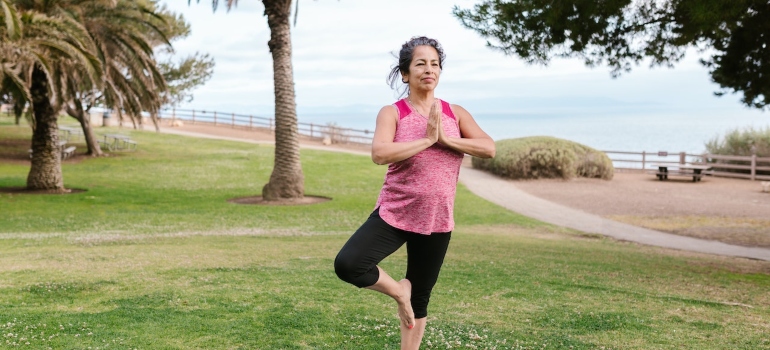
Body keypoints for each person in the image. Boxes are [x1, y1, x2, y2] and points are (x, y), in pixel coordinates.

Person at [334, 36, 495, 349]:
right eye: (420, 63)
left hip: (437, 218)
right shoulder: (393, 113)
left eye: (434, 64)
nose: (429, 69)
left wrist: (447, 140)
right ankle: (398, 291)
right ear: (405, 74)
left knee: (420, 298)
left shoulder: (455, 113)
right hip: (396, 212)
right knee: (349, 264)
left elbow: (488, 147)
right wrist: (426, 140)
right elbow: (380, 153)